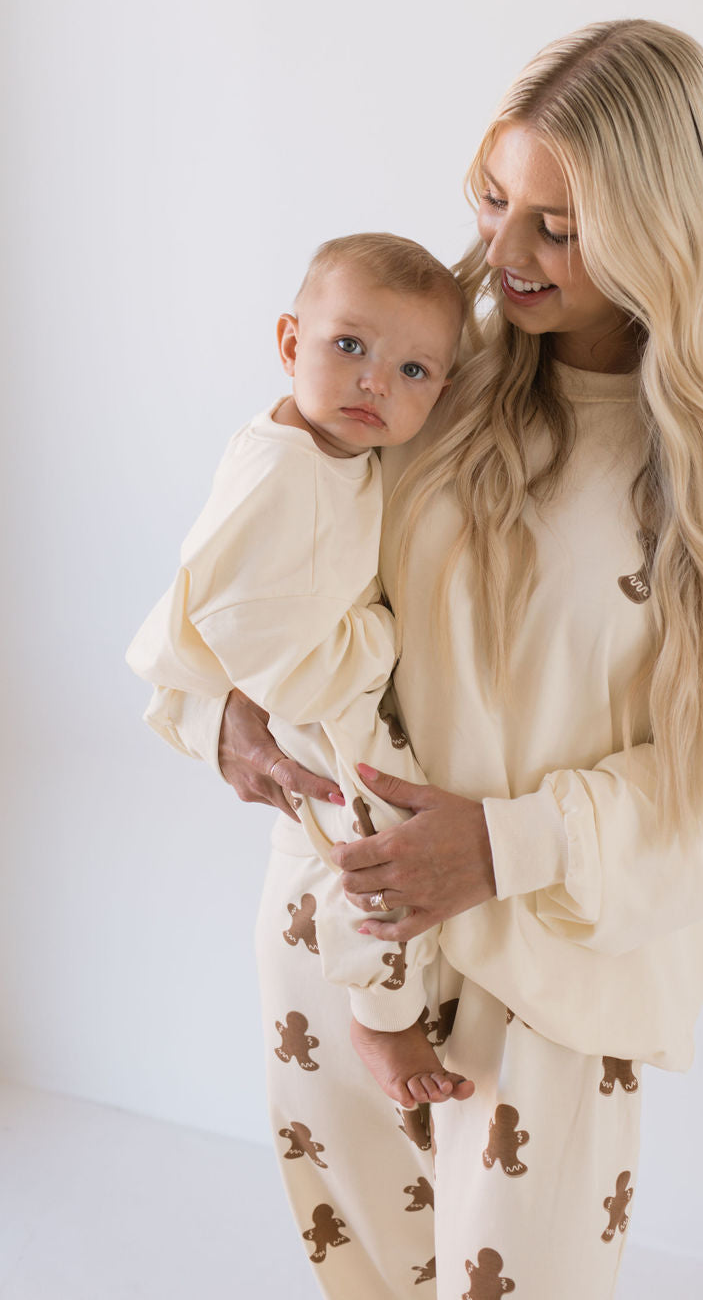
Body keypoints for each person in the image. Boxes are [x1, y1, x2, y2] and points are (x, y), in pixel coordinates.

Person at [140, 20, 703, 1300]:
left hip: (552, 961)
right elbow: (255, 549)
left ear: (662, 226)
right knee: (369, 1284)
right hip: (340, 917)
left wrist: (503, 843)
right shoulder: (424, 364)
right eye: (493, 197)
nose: (502, 254)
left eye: (557, 228)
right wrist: (211, 719)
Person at [127, 232, 475, 1107]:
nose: (374, 383)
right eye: (349, 346)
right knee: (376, 841)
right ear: (290, 343)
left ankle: (388, 998)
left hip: (329, 686)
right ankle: (380, 1014)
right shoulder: (279, 472)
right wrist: (383, 636)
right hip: (313, 703)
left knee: (382, 833)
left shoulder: (337, 452)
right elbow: (260, 639)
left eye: (413, 372)